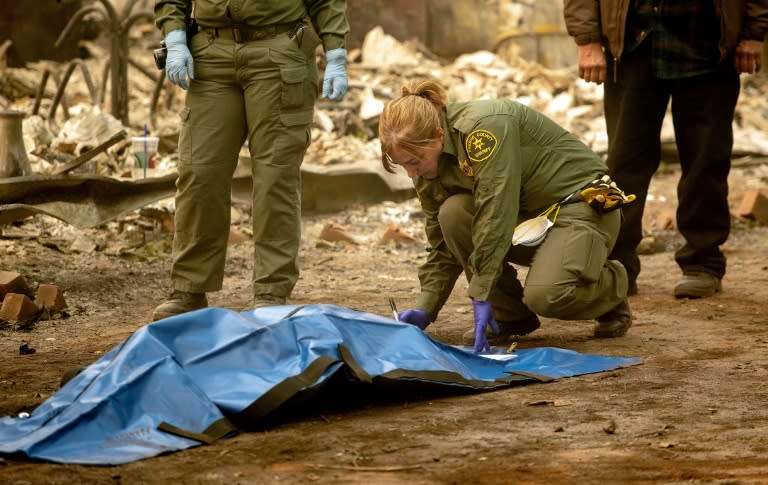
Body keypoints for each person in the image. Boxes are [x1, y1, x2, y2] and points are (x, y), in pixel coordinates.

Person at [379, 79, 636, 353]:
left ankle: (610, 287)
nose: (410, 173)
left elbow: (496, 213)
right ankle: (511, 317)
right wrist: (425, 308)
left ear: (439, 134)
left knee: (547, 296)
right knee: (452, 214)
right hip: (530, 218)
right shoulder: (426, 164)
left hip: (580, 207)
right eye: (402, 165)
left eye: (413, 163)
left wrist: (480, 293)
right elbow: (441, 243)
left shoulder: (484, 129)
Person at [152, 1, 349, 321]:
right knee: (199, 173)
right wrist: (175, 40)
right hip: (210, 54)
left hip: (279, 50)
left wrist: (336, 54)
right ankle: (189, 286)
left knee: (275, 177)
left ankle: (271, 290)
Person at [563, 0, 768, 298]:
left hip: (709, 46)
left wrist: (753, 32)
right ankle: (617, 267)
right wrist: (587, 39)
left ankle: (702, 263)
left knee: (706, 160)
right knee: (623, 164)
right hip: (634, 46)